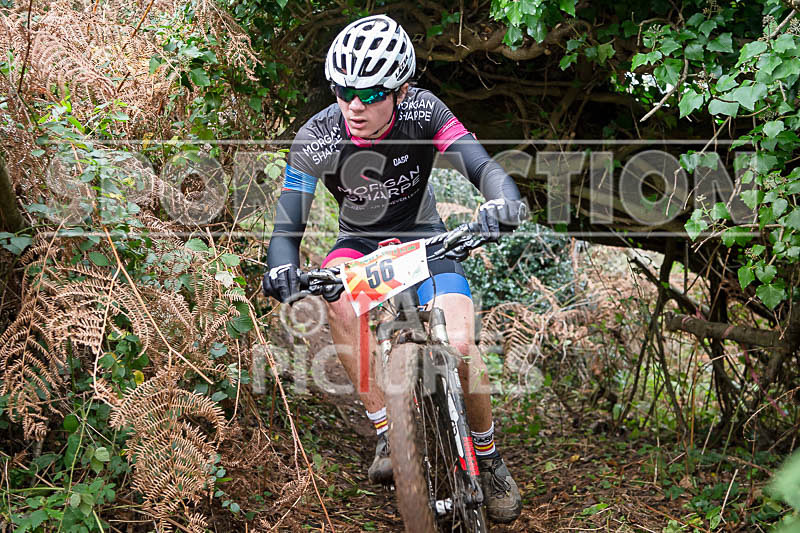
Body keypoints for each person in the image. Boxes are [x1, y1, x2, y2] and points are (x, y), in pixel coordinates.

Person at [262, 14, 526, 524]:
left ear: (400, 89)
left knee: (464, 344)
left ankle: (489, 458)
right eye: (343, 91)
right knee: (333, 296)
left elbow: (481, 166)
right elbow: (287, 221)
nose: (354, 105)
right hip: (358, 242)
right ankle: (386, 428)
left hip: (424, 237)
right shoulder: (316, 135)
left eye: (371, 92)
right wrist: (281, 268)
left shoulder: (424, 111)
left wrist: (503, 201)